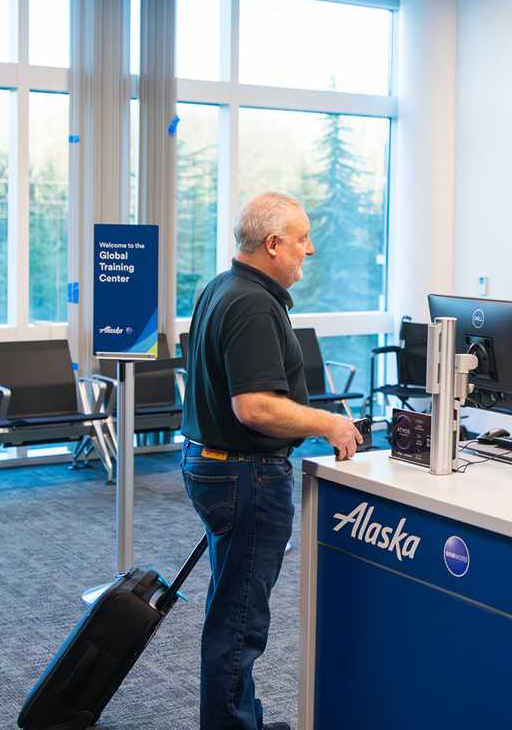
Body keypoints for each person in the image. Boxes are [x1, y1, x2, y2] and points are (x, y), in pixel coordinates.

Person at [180, 191, 363, 730]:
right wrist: (328, 423)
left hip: (214, 465)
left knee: (231, 608)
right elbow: (255, 407)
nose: (311, 249)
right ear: (274, 243)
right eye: (303, 239)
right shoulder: (253, 304)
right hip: (245, 476)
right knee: (240, 621)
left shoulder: (223, 287)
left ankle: (242, 719)